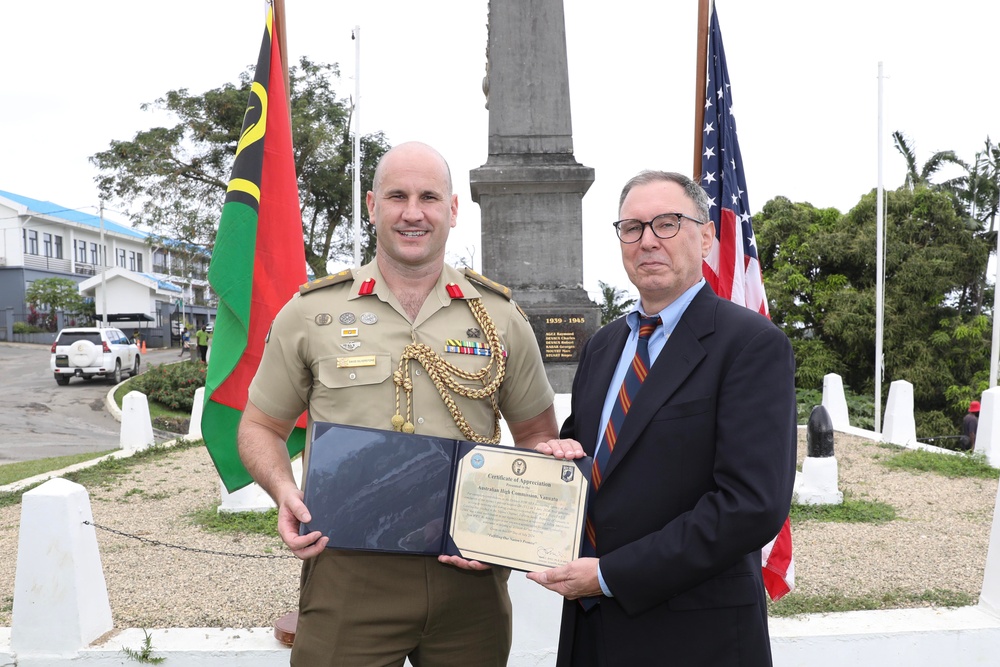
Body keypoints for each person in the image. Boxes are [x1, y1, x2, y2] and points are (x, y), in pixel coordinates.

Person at [237, 141, 561, 666]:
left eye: (430, 197)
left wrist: (509, 533)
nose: (414, 213)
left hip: (467, 580)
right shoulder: (311, 313)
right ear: (371, 206)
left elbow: (537, 436)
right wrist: (284, 493)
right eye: (397, 196)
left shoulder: (500, 316)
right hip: (349, 572)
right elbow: (260, 426)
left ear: (453, 210)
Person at [527, 171, 797, 666]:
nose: (648, 240)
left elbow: (750, 505)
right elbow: (590, 463)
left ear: (707, 236)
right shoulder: (602, 347)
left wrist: (610, 575)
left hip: (696, 636)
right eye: (632, 227)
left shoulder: (751, 345)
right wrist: (554, 463)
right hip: (591, 634)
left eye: (667, 223)